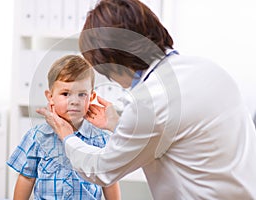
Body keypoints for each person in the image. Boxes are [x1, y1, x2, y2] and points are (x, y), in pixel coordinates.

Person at [37, 0, 256, 199]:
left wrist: (66, 135)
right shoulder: (206, 68)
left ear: (112, 61)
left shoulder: (149, 103)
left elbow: (102, 170)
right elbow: (180, 137)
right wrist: (117, 124)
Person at [7, 55, 120, 200]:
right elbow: (26, 178)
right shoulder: (36, 137)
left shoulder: (101, 140)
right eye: (66, 94)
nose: (74, 101)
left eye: (82, 94)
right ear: (50, 96)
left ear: (91, 97)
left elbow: (109, 182)